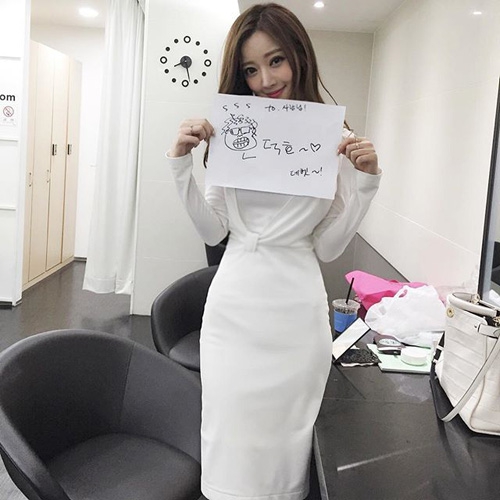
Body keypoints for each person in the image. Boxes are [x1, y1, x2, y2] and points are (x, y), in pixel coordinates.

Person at [166, 4, 381, 500]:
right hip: (233, 317)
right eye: (250, 69)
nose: (265, 80)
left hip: (296, 319)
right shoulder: (233, 130)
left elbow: (328, 246)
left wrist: (366, 186)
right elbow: (214, 230)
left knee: (285, 456)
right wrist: (180, 168)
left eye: (276, 60)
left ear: (299, 57)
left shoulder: (336, 141)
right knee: (229, 445)